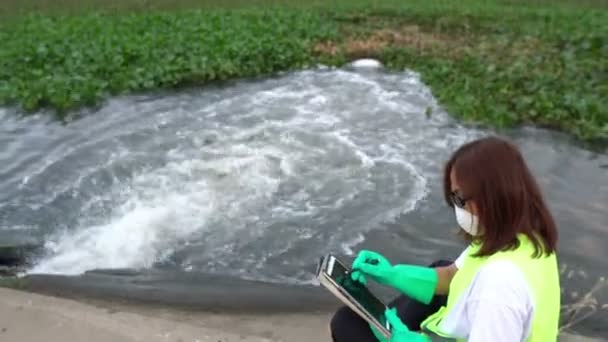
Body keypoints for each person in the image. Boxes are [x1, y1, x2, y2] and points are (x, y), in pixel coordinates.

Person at [329, 136, 561, 342]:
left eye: (459, 199)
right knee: (440, 266)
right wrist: (392, 274)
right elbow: (452, 275)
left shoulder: (499, 287)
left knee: (347, 325)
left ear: (490, 198)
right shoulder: (522, 240)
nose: (455, 207)